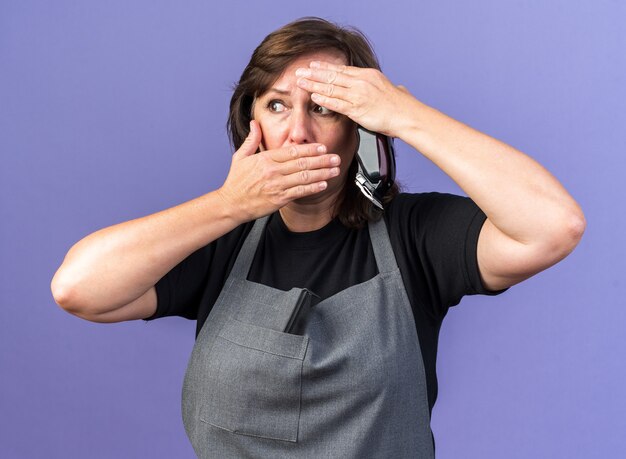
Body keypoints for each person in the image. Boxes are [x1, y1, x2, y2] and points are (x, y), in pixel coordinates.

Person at [51, 17, 585, 458]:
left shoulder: (414, 236)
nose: (298, 132)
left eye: (324, 108)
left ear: (359, 129)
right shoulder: (220, 239)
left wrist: (405, 112)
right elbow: (78, 288)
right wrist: (226, 205)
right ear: (250, 122)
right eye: (277, 105)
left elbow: (553, 226)